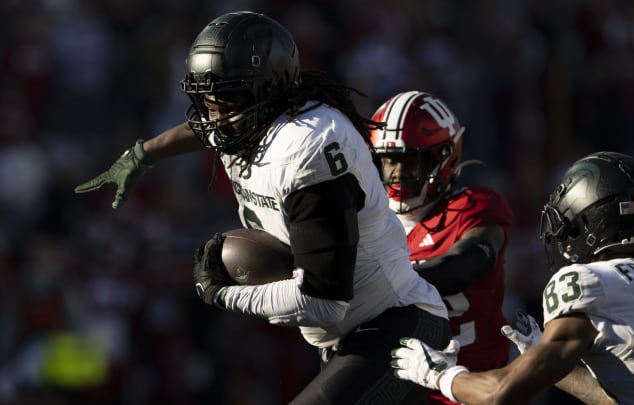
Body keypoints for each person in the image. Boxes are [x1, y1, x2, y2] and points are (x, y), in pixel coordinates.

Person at [74, 11, 451, 404]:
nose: (214, 114)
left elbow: (323, 303)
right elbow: (203, 129)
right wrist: (143, 154)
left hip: (399, 325)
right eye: (206, 99)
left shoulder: (307, 146)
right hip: (351, 338)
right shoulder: (249, 119)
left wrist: (223, 295)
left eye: (227, 98)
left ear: (270, 89)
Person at [390, 151, 634, 404]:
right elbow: (622, 397)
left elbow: (499, 394)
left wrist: (440, 376)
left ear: (590, 224)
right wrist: (547, 361)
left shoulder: (587, 281)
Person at [369, 91, 513, 404]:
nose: (397, 173)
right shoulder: (365, 223)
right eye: (389, 160)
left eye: (410, 161)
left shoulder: (471, 206)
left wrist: (389, 279)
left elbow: (471, 259)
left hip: (471, 388)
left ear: (446, 158)